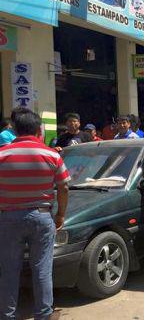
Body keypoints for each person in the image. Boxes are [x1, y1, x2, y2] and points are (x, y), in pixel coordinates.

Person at [0, 108, 70, 319]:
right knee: (41, 269)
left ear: (14, 129)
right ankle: (44, 314)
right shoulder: (51, 154)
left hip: (9, 218)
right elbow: (64, 187)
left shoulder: (2, 154)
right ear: (39, 130)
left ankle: (7, 314)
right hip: (41, 216)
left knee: (9, 270)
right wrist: (60, 215)